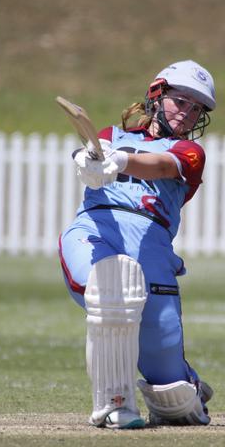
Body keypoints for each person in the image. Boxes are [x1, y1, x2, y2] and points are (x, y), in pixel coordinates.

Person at [58, 60, 215, 429]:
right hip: (97, 231)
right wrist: (89, 165)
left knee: (173, 398)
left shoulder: (190, 152)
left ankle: (187, 383)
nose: (187, 113)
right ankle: (114, 404)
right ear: (157, 97)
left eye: (196, 108)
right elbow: (95, 165)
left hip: (152, 248)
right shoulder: (110, 134)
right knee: (110, 291)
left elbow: (161, 166)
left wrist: (121, 161)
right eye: (181, 101)